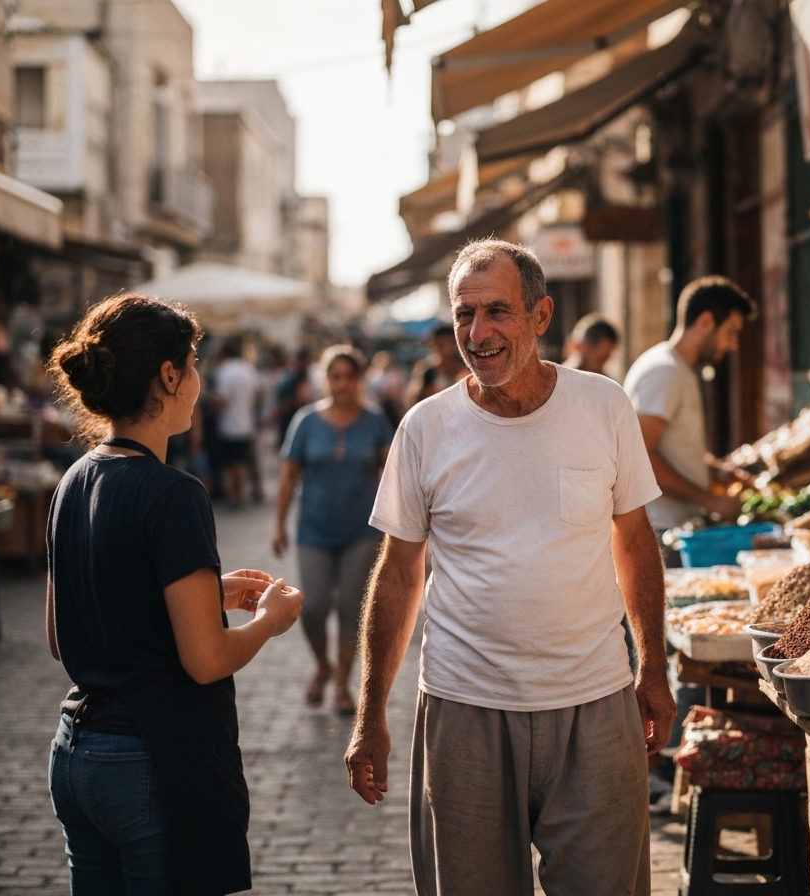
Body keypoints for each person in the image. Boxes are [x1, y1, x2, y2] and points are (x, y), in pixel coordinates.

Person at [344, 239, 676, 896]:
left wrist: (654, 667)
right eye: (465, 314)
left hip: (596, 705)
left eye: (497, 311)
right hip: (465, 711)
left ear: (541, 315)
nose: (478, 332)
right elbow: (401, 574)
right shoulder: (424, 428)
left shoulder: (603, 405)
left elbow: (635, 542)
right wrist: (369, 714)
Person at [44, 294, 304, 894]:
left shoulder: (72, 481)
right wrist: (269, 619)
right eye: (192, 362)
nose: (197, 378)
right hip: (149, 760)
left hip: (75, 755)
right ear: (168, 374)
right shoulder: (173, 494)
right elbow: (206, 659)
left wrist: (209, 593)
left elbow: (64, 635)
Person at [273, 345, 394, 710]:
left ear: (358, 380)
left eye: (349, 377)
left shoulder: (375, 421)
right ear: (326, 380)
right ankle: (322, 666)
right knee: (313, 606)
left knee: (350, 608)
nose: (342, 384)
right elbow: (289, 475)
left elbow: (391, 474)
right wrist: (279, 525)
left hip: (361, 530)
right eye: (335, 376)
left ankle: (342, 684)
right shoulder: (306, 421)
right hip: (314, 529)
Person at [623, 275, 757, 564]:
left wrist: (715, 470)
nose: (733, 345)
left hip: (676, 528)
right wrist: (711, 501)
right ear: (706, 322)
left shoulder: (680, 369)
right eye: (731, 333)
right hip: (662, 532)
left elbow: (670, 446)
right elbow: (641, 454)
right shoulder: (664, 371)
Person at [214, 337, 260, 507]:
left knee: (234, 464)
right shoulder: (247, 368)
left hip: (230, 425)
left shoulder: (225, 371)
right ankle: (251, 492)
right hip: (247, 423)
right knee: (245, 460)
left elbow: (223, 400)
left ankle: (237, 495)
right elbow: (258, 393)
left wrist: (212, 404)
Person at [403, 322, 465, 406]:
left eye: (450, 343)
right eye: (442, 345)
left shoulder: (465, 369)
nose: (447, 349)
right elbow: (413, 399)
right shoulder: (426, 370)